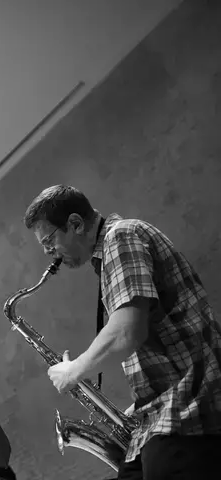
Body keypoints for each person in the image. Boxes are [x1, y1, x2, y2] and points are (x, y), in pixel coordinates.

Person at [23, 185, 221, 479]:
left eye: (49, 242)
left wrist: (75, 369)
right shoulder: (115, 249)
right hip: (166, 409)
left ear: (75, 224)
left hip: (190, 411)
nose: (49, 253)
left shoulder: (121, 237)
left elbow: (127, 331)